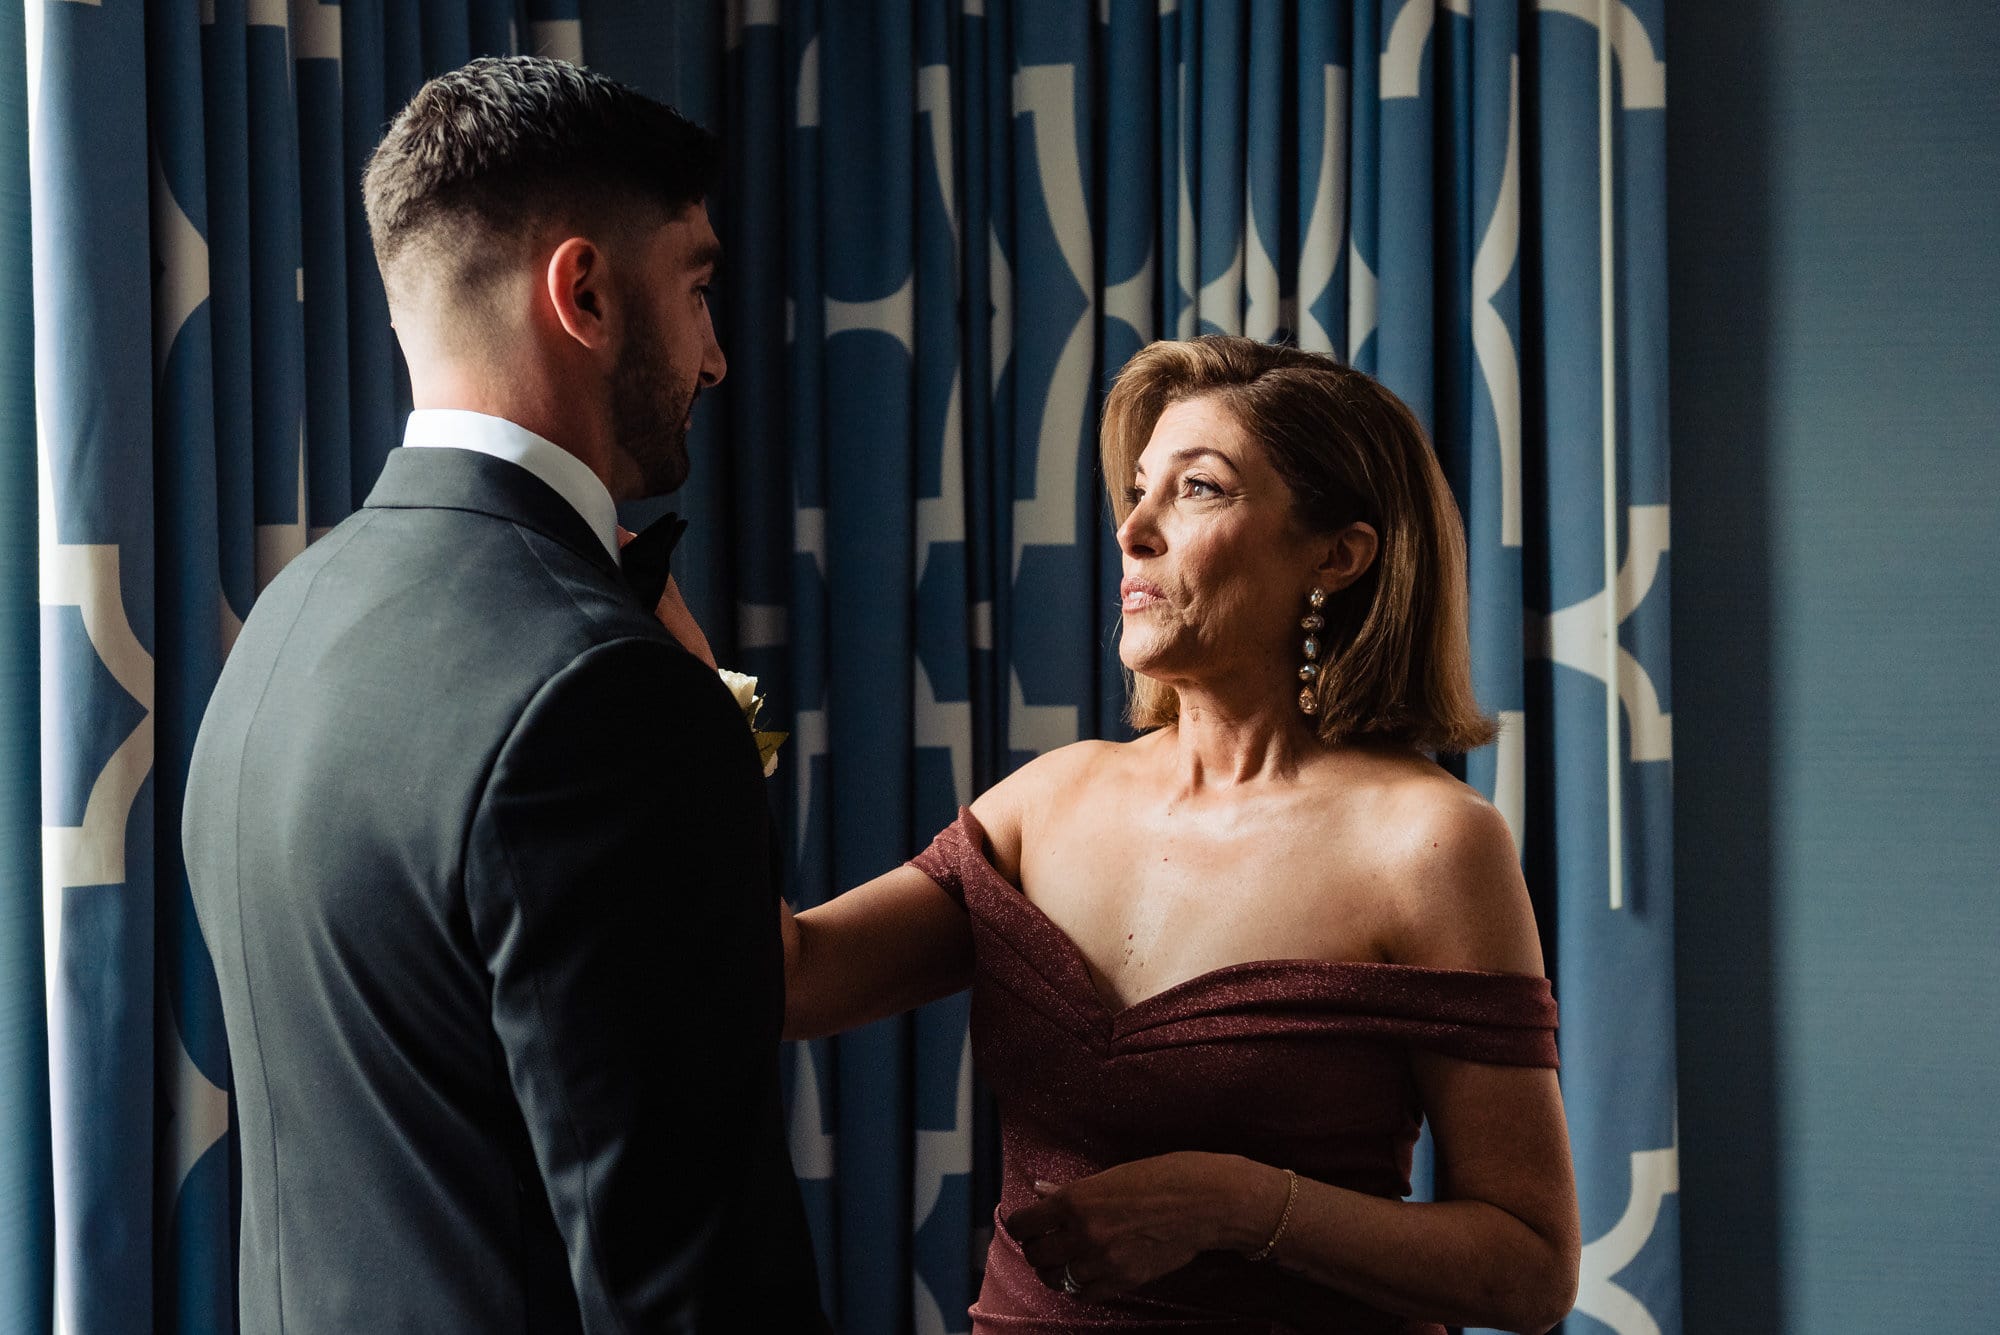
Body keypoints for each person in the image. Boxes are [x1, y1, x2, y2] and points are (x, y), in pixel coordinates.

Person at [182, 57, 826, 1332]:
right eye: (697, 289)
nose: (715, 356)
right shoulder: (602, 696)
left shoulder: (288, 616)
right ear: (583, 292)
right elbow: (688, 1287)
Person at [781, 337, 1581, 1334]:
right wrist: (668, 690)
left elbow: (1527, 1273)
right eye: (1135, 489)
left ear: (1334, 555)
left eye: (1196, 489)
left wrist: (1235, 1205)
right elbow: (785, 980)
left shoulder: (1426, 843)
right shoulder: (1043, 803)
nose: (1132, 530)